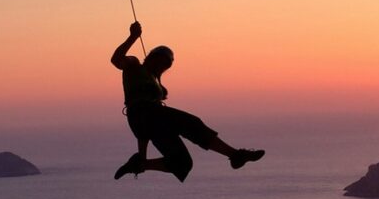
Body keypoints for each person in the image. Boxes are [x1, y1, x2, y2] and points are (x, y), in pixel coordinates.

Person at [110, 22, 264, 182]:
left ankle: (140, 165)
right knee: (192, 123)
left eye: (166, 65)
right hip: (145, 114)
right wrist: (133, 37)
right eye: (161, 61)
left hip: (147, 121)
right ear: (151, 56)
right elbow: (116, 60)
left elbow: (144, 129)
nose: (162, 66)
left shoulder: (153, 81)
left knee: (183, 163)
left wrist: (142, 156)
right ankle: (235, 155)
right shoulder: (135, 65)